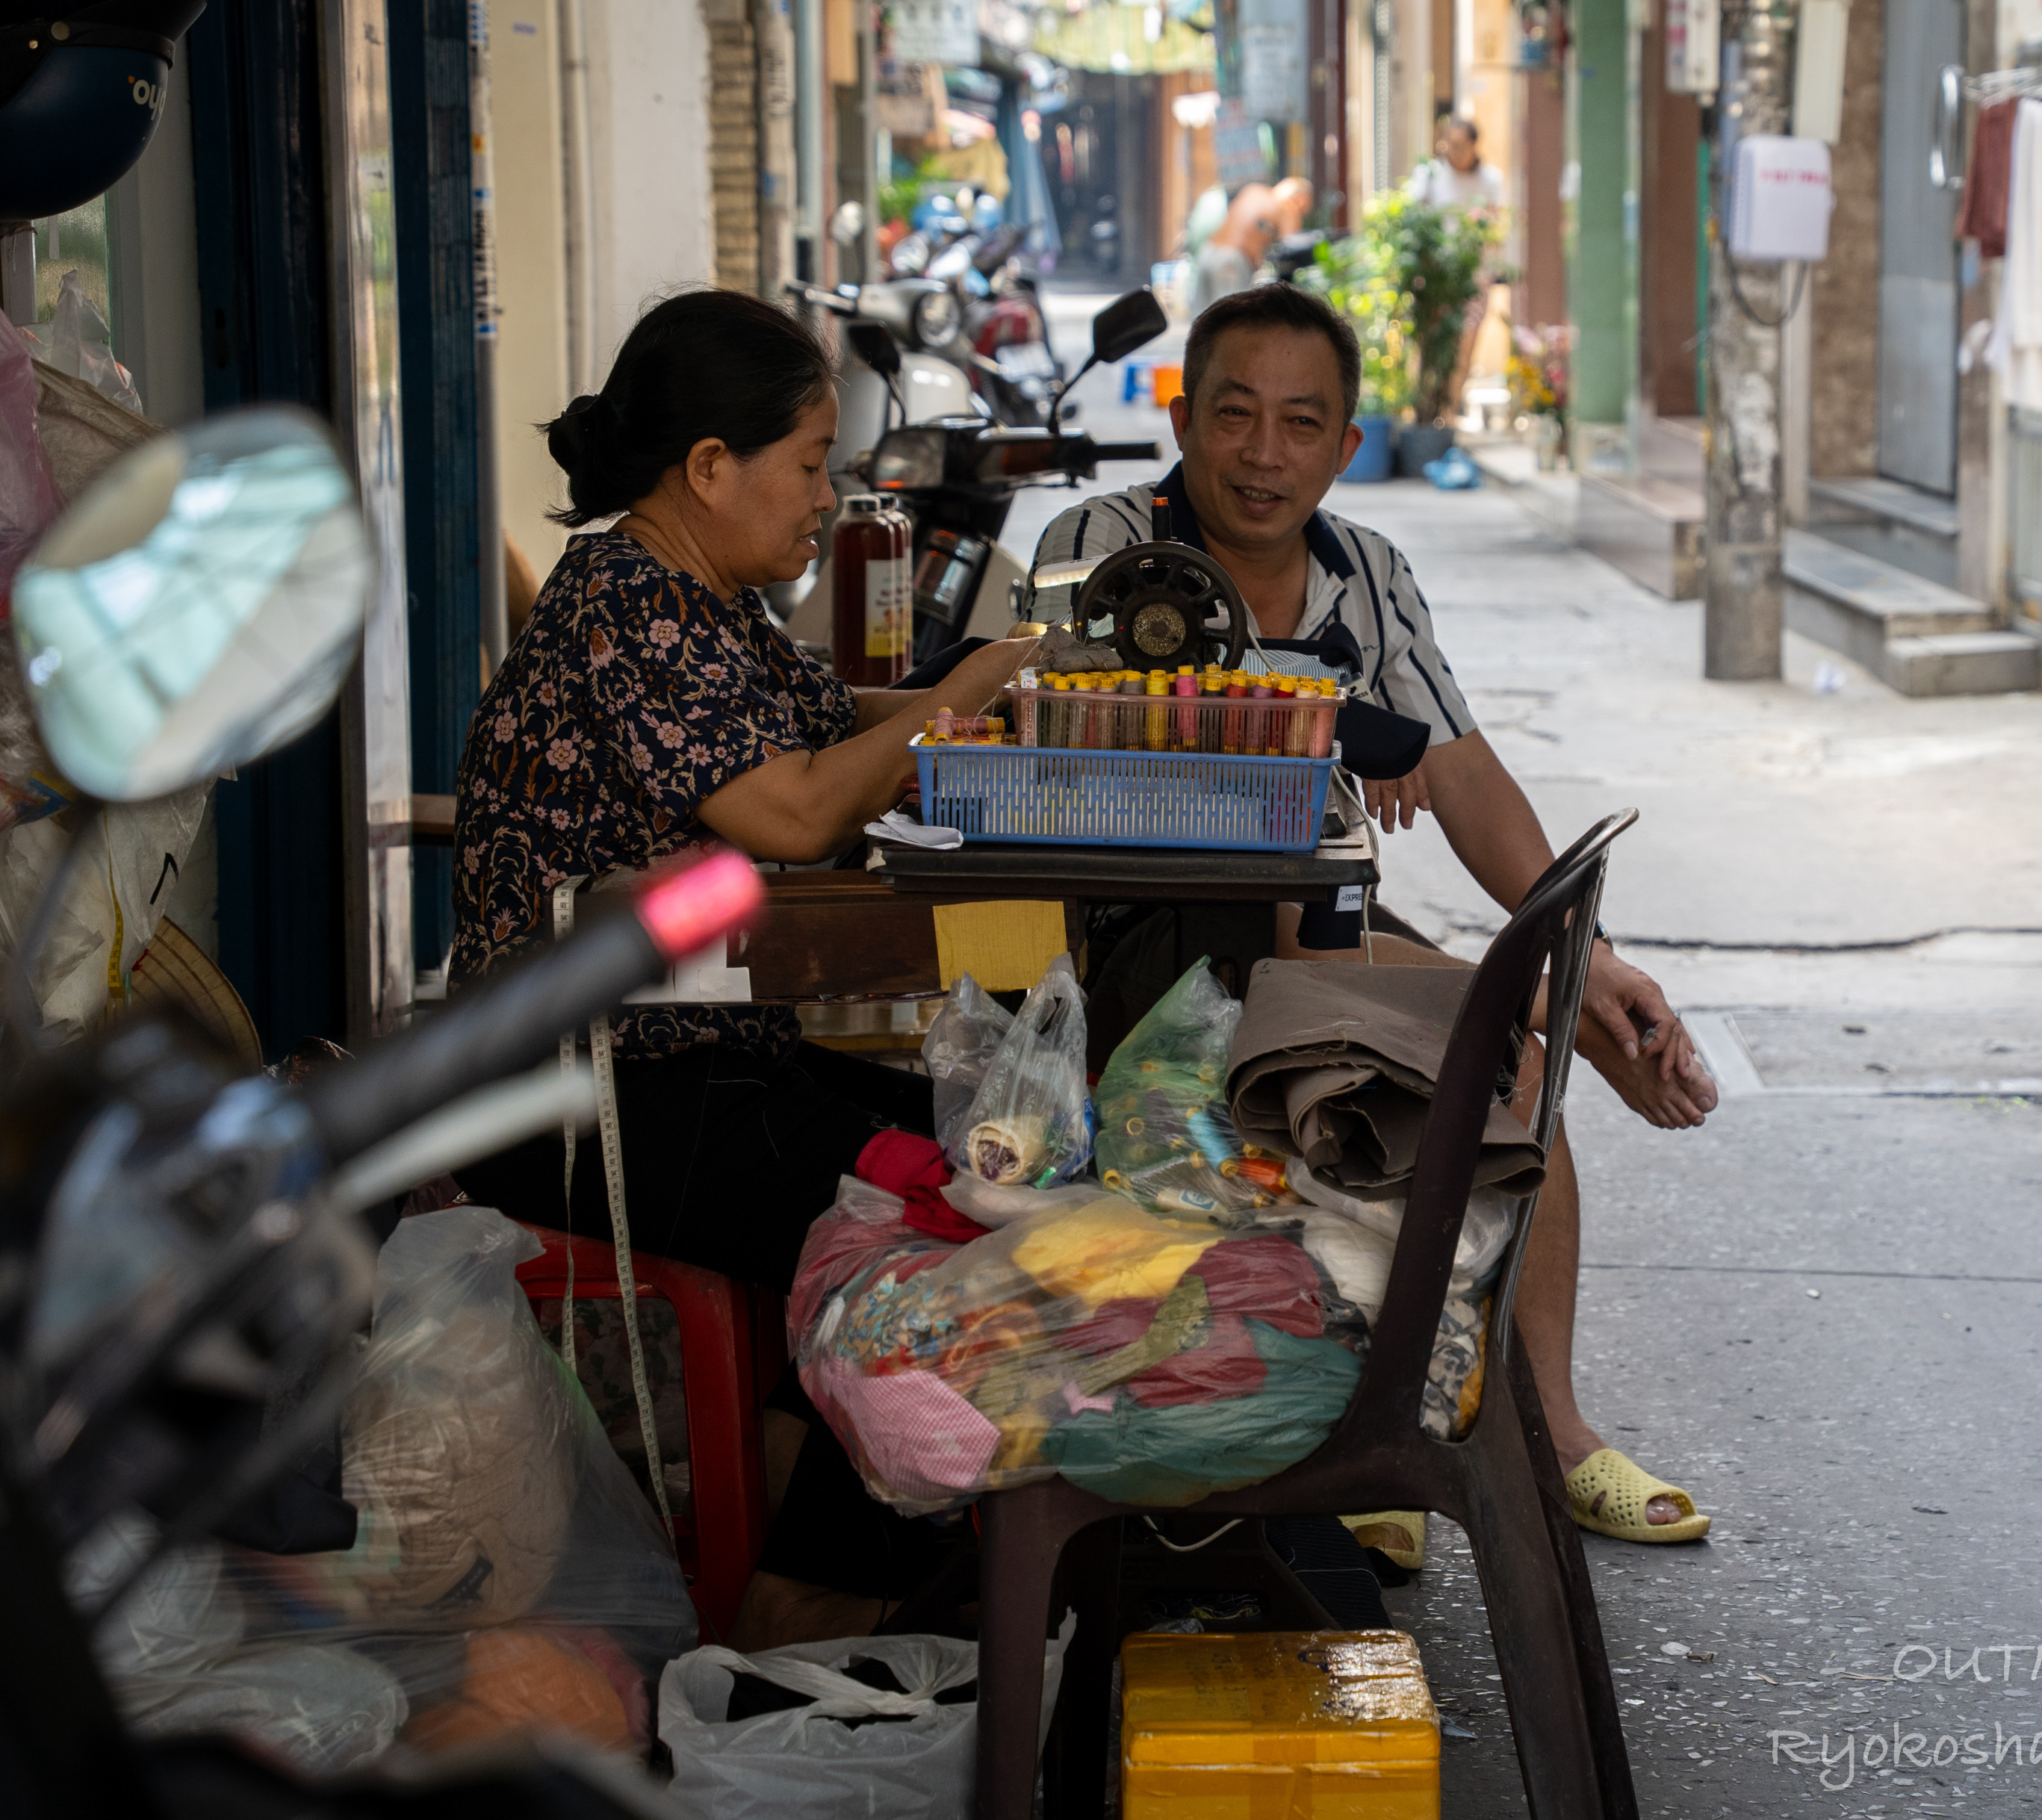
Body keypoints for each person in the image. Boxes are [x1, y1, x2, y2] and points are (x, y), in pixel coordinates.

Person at [1031, 285, 1725, 1542]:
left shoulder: (1369, 571)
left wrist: (1589, 953)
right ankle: (1363, 1444)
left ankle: (1548, 1429)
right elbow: (1075, 734)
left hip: (1316, 931)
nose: (1264, 452)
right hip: (1135, 943)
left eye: (1303, 424)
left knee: (1508, 1054)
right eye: (1235, 415)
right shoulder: (1103, 543)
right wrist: (1327, 731)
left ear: (1346, 446)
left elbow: (1458, 770)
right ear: (1186, 416)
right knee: (1366, 1062)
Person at [449, 289, 1043, 1644]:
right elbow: (796, 810)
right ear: (708, 466)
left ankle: (805, 1511)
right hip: (583, 1097)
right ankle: (808, 1594)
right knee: (944, 1222)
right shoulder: (624, 604)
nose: (826, 497)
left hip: (694, 1064)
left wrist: (1019, 694)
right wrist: (976, 686)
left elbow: (845, 725)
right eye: (809, 463)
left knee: (991, 1152)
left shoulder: (705, 606)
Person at [1189, 183, 1278, 317]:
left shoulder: (1252, 192)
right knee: (1232, 318)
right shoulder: (1285, 207)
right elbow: (1290, 248)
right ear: (1300, 199)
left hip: (1208, 250)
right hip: (1230, 261)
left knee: (1201, 319)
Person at [1404, 114, 1505, 214]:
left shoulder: (1490, 178)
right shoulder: (1429, 173)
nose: (1457, 152)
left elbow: (1497, 218)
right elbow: (1412, 209)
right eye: (1452, 145)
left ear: (1473, 146)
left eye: (1461, 146)